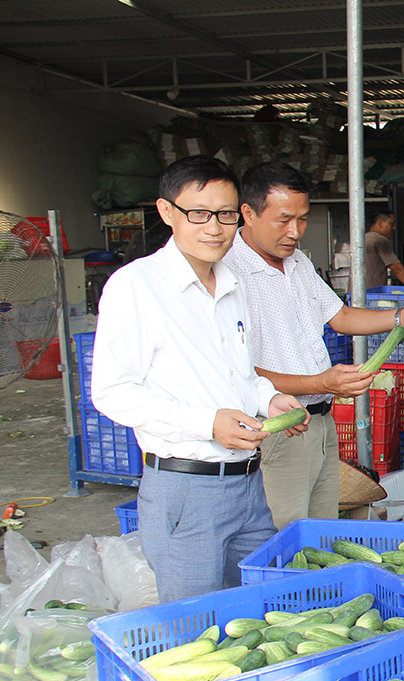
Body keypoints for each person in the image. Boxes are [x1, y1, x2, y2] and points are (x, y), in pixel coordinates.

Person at [91, 155, 310, 603]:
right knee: (196, 629)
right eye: (199, 214)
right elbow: (112, 392)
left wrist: (270, 400)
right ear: (167, 212)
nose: (214, 227)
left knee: (256, 612)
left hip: (249, 484)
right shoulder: (136, 286)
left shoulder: (232, 283)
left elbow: (240, 377)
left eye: (225, 214)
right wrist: (207, 423)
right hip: (185, 491)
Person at [223, 161, 404, 529]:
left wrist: (398, 319)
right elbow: (239, 372)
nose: (295, 231)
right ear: (247, 214)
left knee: (323, 532)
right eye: (283, 220)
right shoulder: (227, 273)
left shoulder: (296, 261)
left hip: (319, 421)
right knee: (287, 538)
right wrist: (321, 383)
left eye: (302, 219)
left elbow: (340, 317)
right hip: (278, 426)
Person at [365, 209, 404, 288]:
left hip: (354, 293)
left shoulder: (363, 239)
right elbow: (397, 269)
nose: (393, 228)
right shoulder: (380, 240)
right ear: (381, 223)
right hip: (372, 294)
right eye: (391, 224)